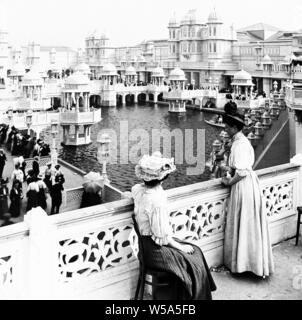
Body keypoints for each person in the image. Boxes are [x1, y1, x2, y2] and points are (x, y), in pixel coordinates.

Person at [131, 152, 216, 300]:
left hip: (145, 246)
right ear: (162, 177)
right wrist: (181, 247)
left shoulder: (138, 190)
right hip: (154, 251)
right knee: (194, 258)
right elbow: (162, 237)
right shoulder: (157, 200)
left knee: (195, 253)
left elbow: (139, 190)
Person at [221, 101, 274, 278]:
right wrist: (228, 169)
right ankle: (246, 263)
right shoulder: (238, 141)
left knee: (244, 223)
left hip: (243, 186)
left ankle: (247, 264)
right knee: (246, 224)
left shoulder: (240, 144)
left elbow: (242, 172)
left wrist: (229, 182)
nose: (225, 129)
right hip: (246, 184)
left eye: (227, 127)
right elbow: (240, 167)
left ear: (235, 127)